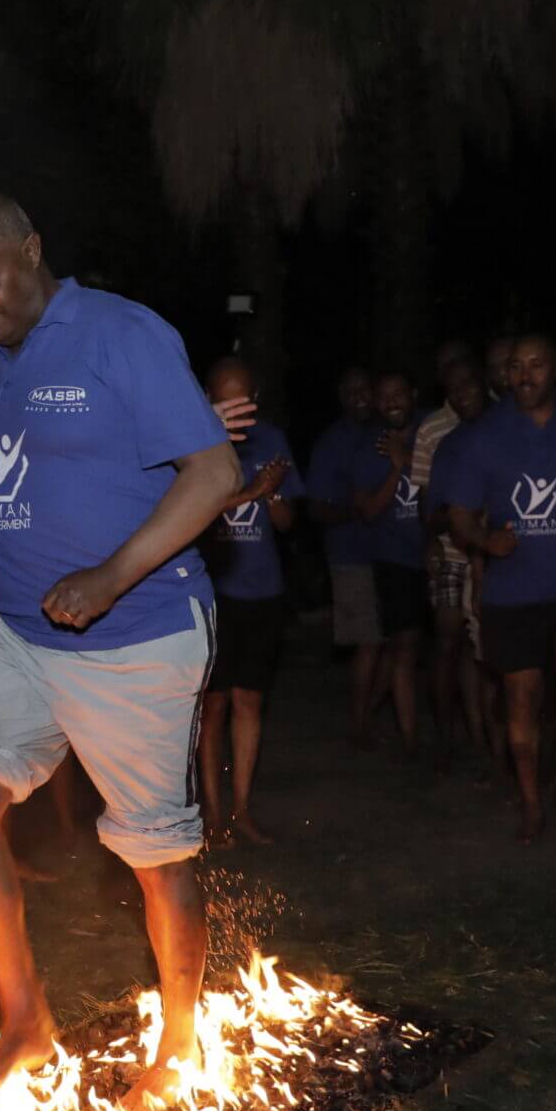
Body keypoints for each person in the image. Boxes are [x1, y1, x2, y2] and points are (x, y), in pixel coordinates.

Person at [0, 189, 240, 1110]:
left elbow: (214, 473)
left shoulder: (121, 334)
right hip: (18, 634)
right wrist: (3, 569)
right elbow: (15, 480)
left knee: (156, 855)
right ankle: (26, 1022)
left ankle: (180, 1046)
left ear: (33, 247)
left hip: (133, 635)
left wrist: (110, 574)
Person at [439, 334, 556, 844]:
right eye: (515, 367)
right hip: (513, 589)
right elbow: (458, 515)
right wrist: (484, 539)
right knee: (520, 700)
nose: (523, 375)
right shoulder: (485, 434)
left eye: (536, 365)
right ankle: (530, 804)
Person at [195, 355, 303, 845]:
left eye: (242, 400)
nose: (234, 407)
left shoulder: (272, 442)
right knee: (212, 706)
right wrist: (254, 489)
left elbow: (286, 524)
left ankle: (241, 810)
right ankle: (213, 815)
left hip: (263, 591)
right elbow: (192, 518)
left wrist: (274, 496)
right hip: (213, 593)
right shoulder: (193, 443)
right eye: (223, 398)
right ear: (207, 397)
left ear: (255, 400)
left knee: (250, 700)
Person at [411, 352, 490, 764]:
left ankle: (486, 743)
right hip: (452, 555)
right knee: (448, 644)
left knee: (486, 653)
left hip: (496, 559)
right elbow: (429, 508)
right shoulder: (439, 435)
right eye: (453, 388)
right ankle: (447, 738)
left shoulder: (504, 426)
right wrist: (459, 516)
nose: (462, 395)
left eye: (468, 384)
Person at [303, 365, 382, 744]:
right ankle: (359, 723)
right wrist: (356, 511)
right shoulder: (332, 443)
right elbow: (315, 509)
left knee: (396, 641)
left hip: (397, 553)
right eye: (352, 391)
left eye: (365, 388)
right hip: (351, 555)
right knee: (368, 642)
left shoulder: (387, 433)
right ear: (342, 398)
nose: (360, 397)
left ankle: (372, 711)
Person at [354, 368, 428, 755]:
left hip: (439, 554)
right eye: (385, 396)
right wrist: (397, 466)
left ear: (413, 393)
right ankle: (411, 739)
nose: (392, 402)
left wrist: (410, 458)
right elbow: (368, 511)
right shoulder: (371, 445)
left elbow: (449, 487)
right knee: (406, 644)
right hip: (394, 559)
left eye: (399, 392)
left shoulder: (433, 432)